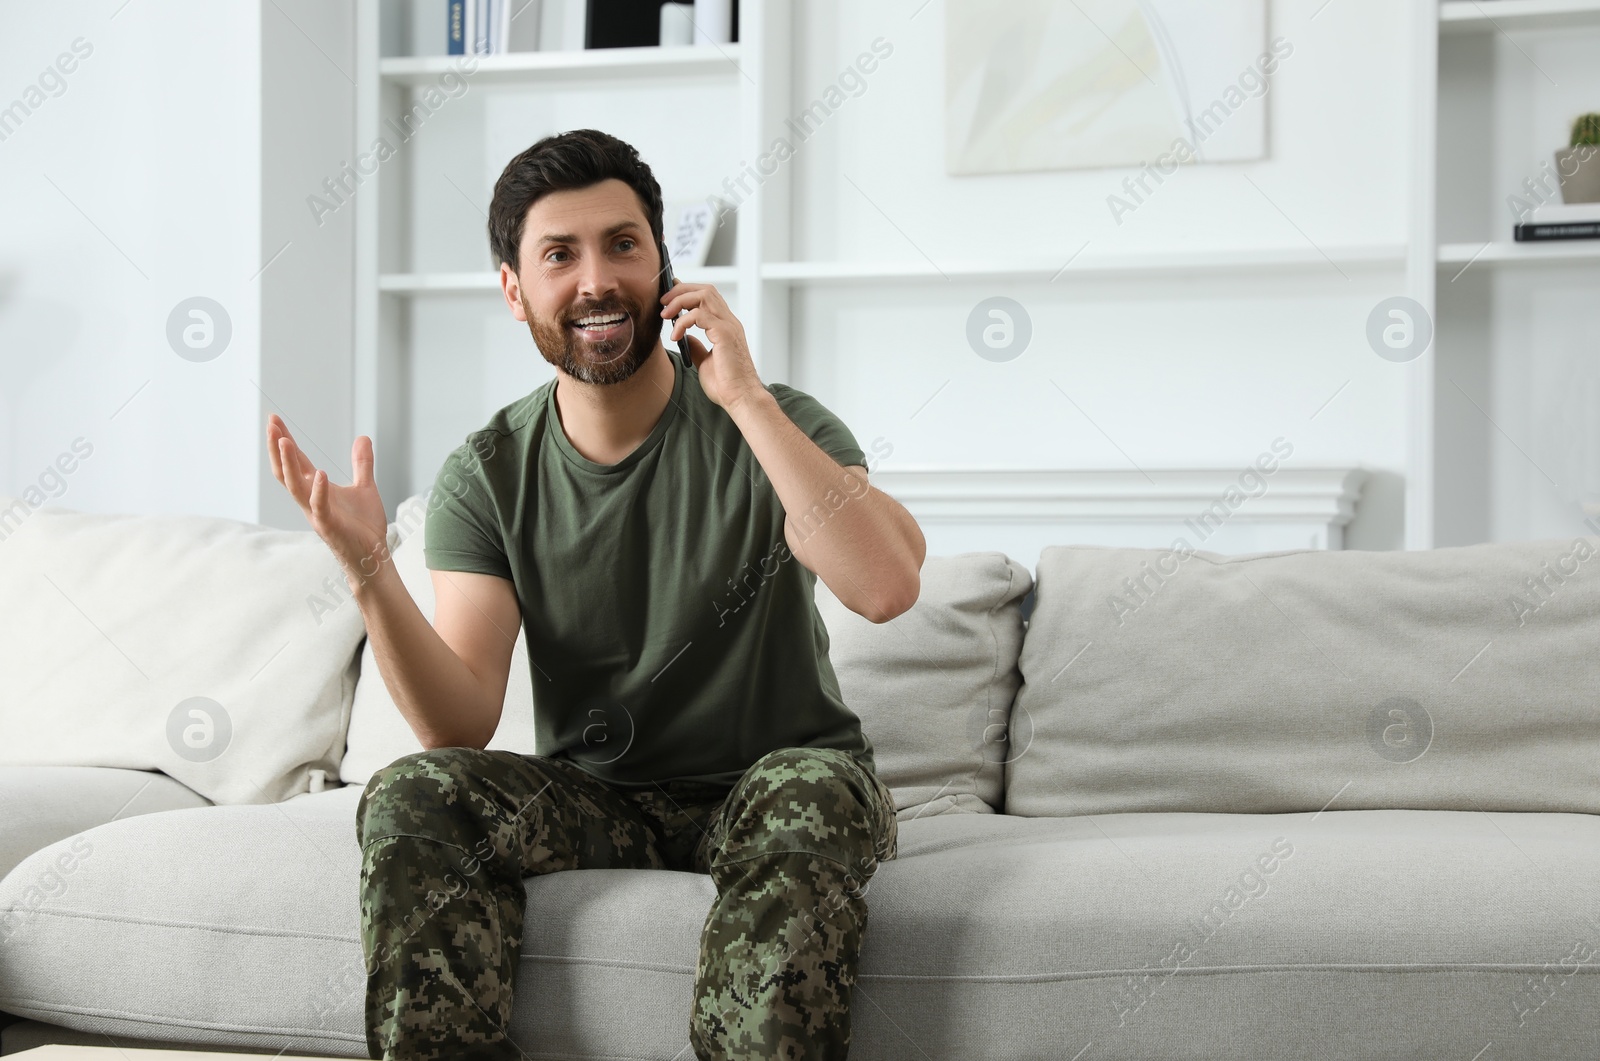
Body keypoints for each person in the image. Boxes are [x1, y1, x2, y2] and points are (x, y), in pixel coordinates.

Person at [266, 127, 926, 1061]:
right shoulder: (489, 472)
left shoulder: (774, 420)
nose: (596, 280)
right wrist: (371, 569)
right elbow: (458, 721)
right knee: (415, 793)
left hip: (781, 776)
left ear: (663, 269)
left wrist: (745, 400)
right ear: (514, 289)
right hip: (602, 796)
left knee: (807, 791)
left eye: (624, 245)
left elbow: (888, 586)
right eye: (558, 254)